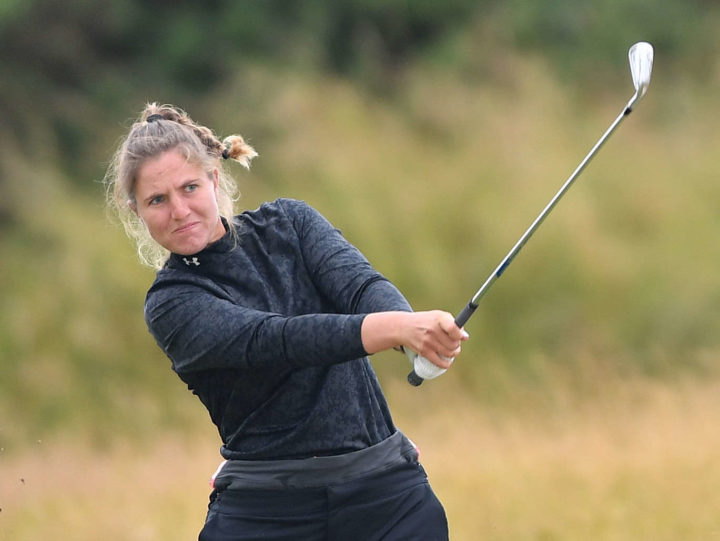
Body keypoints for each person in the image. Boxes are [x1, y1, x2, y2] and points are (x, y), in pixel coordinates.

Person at [104, 102, 468, 541]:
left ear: (214, 180)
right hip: (268, 512)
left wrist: (412, 330)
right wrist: (395, 330)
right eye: (157, 200)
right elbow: (277, 340)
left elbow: (360, 287)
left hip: (387, 497)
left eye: (189, 188)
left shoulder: (290, 223)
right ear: (136, 211)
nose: (179, 210)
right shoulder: (171, 304)